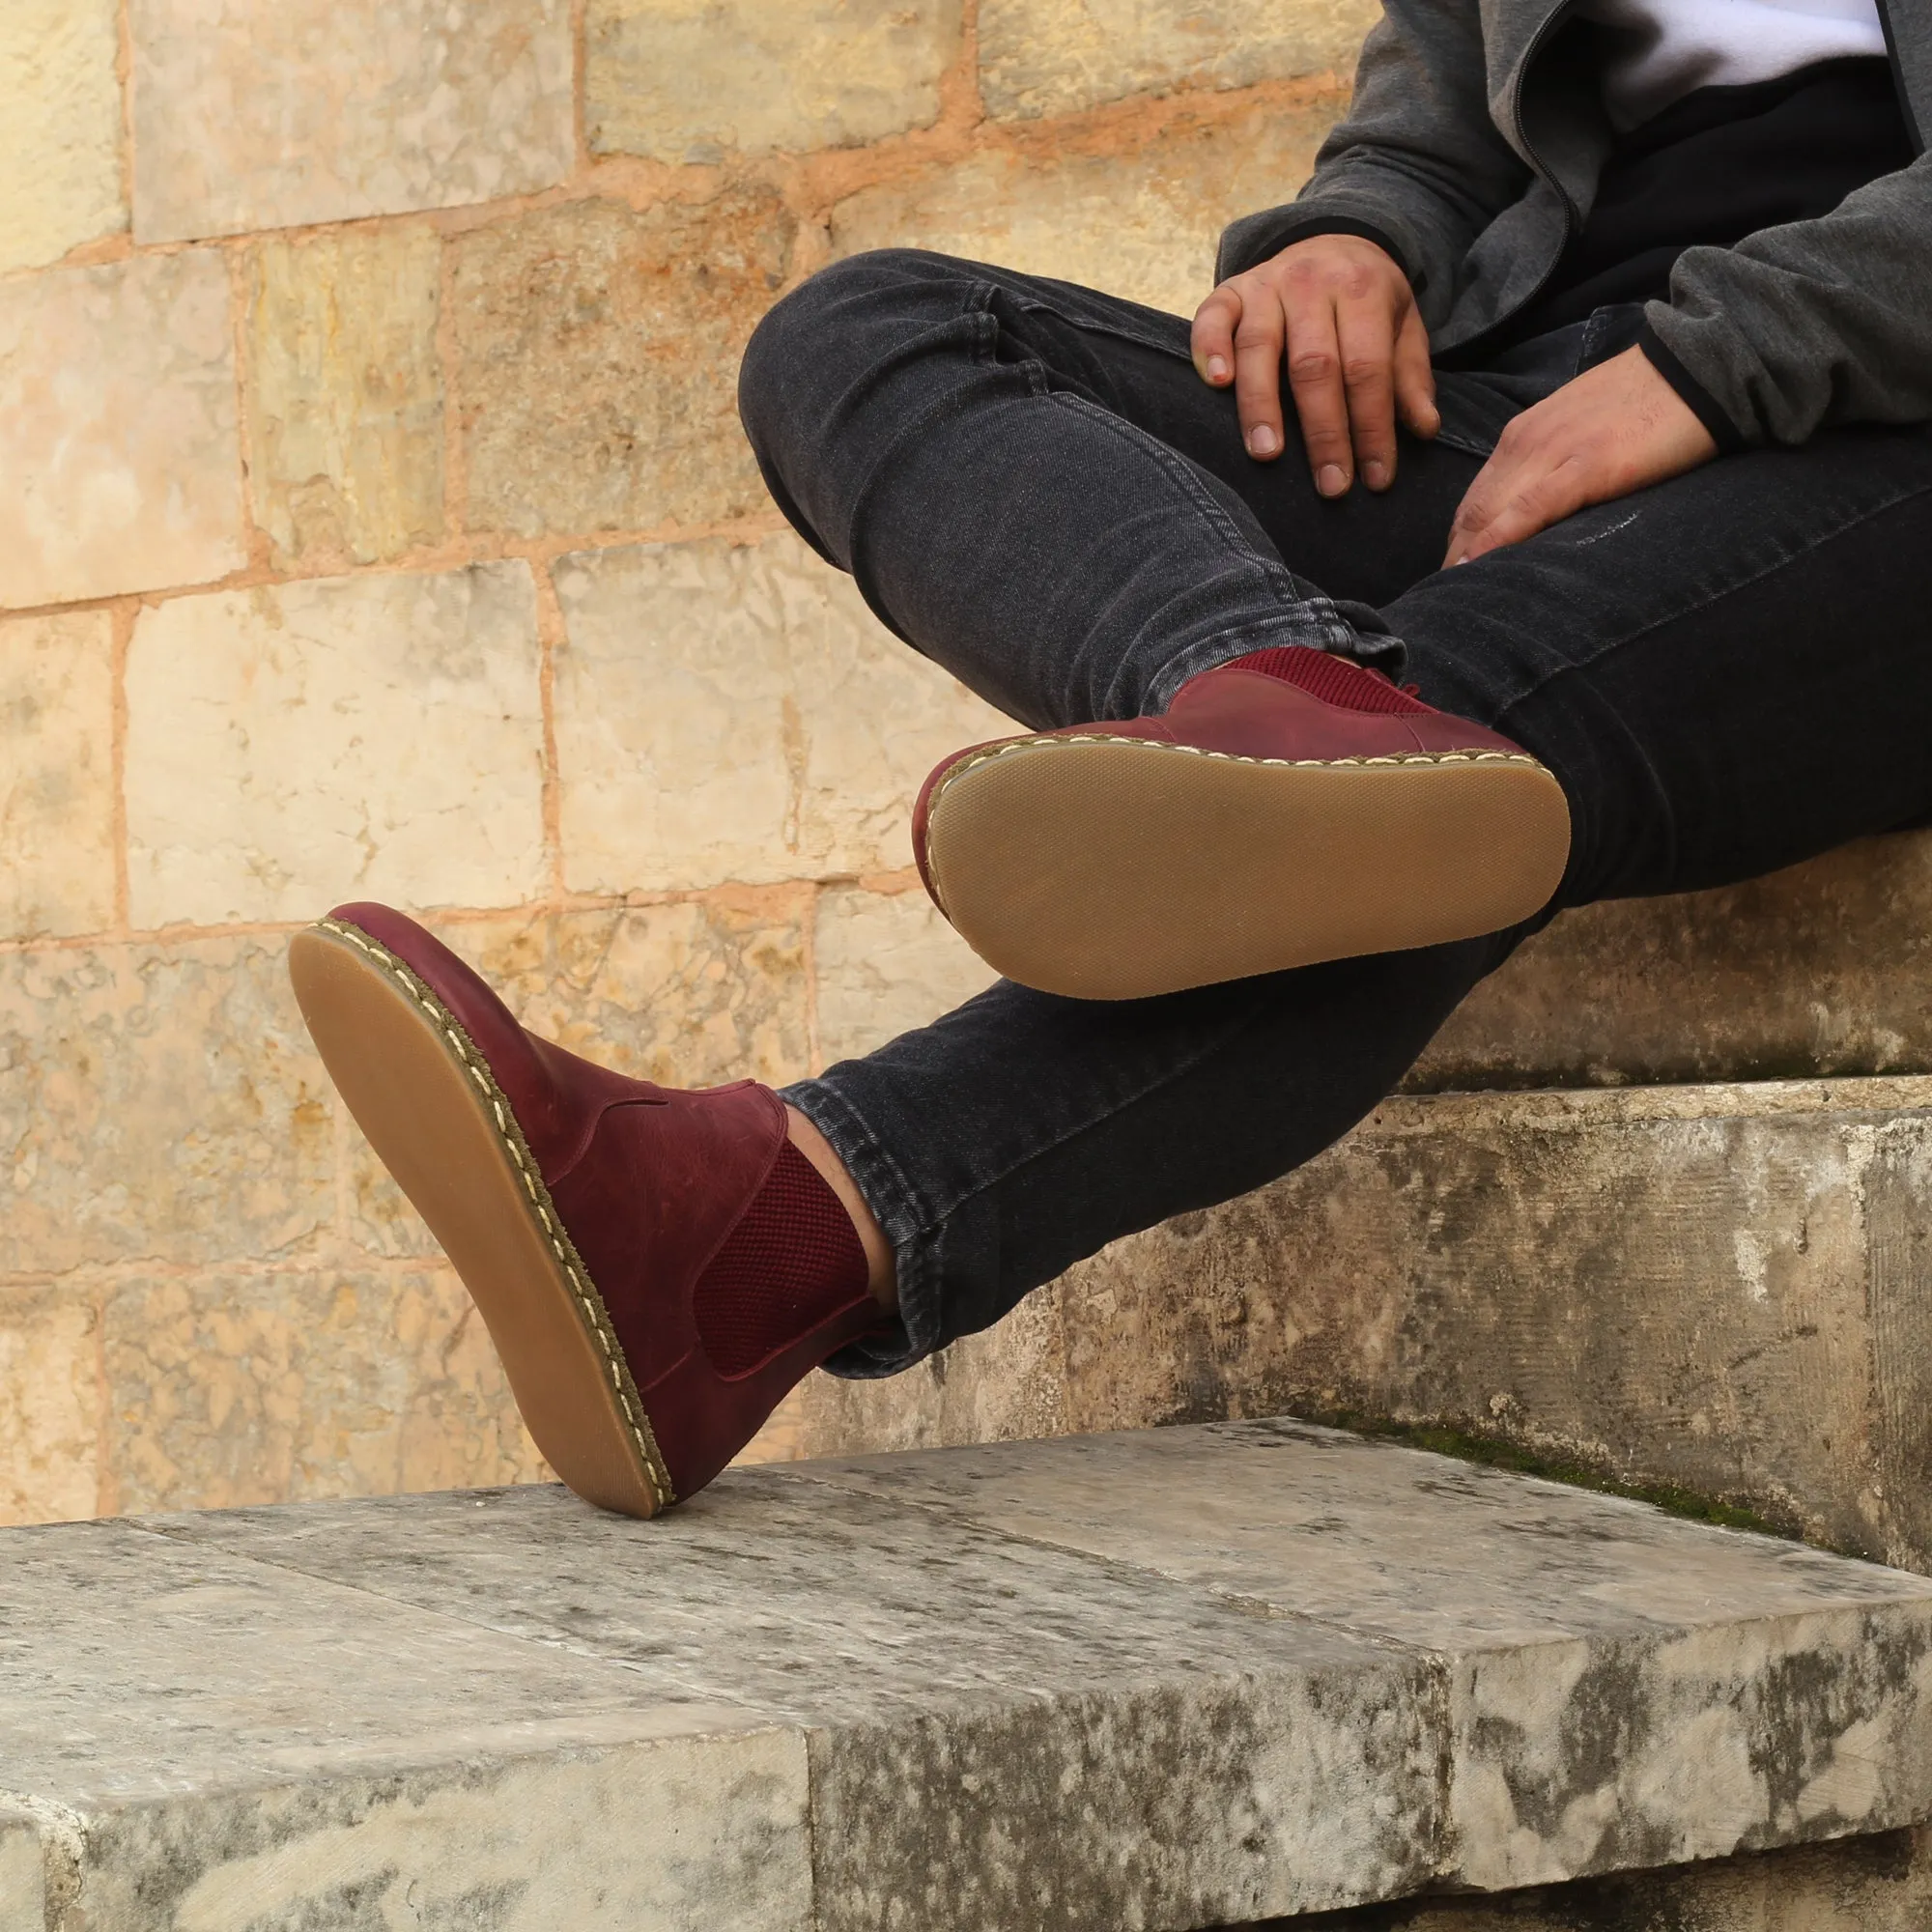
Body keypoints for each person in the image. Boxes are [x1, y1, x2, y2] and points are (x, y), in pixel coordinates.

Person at [292, 0, 1932, 1518]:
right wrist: (1353, 233)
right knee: (867, 333)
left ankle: (759, 1235)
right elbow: (1446, 87)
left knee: (1474, 722)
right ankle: (1272, 689)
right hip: (1550, 395)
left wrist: (1721, 361)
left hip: (1874, 422)